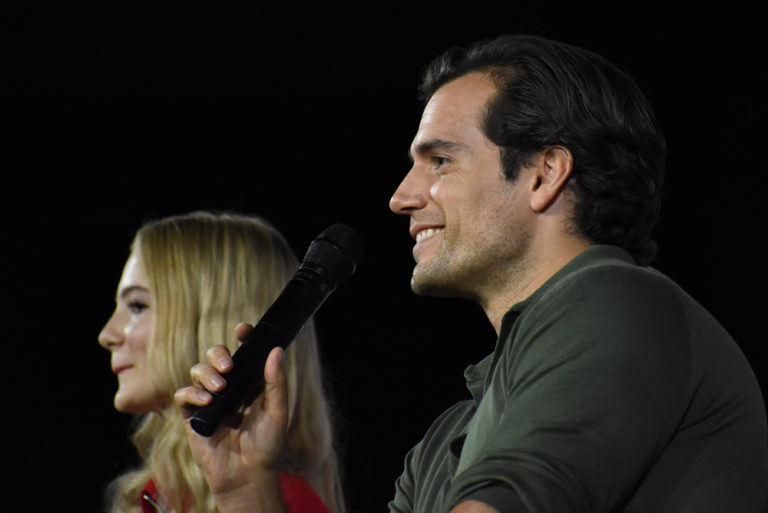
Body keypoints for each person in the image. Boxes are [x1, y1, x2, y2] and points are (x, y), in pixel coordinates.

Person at [176, 34, 768, 512]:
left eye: (440, 161)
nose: (400, 198)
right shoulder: (446, 441)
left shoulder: (621, 301)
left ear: (544, 175)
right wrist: (247, 488)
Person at [98, 211, 344, 513]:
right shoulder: (160, 494)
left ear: (207, 320)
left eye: (137, 306)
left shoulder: (282, 502)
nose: (107, 335)